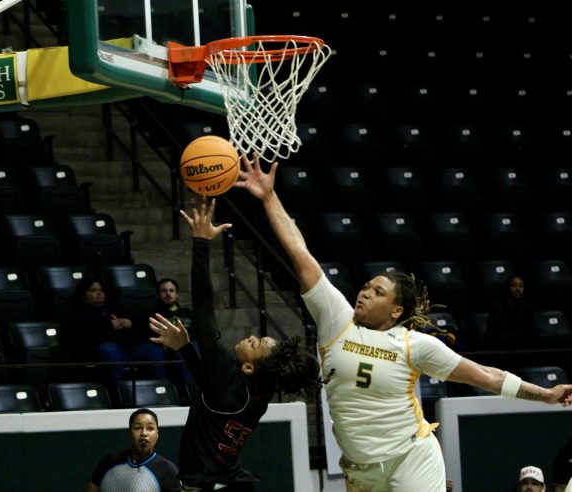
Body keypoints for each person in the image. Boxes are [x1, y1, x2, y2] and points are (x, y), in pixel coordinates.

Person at [235, 153, 572, 492]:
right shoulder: (337, 318)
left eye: (377, 292)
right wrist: (268, 196)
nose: (365, 293)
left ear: (395, 311)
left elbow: (487, 376)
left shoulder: (414, 345)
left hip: (411, 459)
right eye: (366, 286)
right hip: (360, 470)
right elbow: (298, 250)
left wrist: (544, 395)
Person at [149, 199, 321, 491]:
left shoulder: (231, 380)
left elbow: (204, 310)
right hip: (228, 481)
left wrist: (201, 244)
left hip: (205, 485)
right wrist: (187, 349)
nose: (251, 336)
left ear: (249, 366)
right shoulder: (259, 391)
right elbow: (208, 386)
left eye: (256, 344)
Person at [68, 276, 167, 394]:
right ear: (83, 295)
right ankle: (118, 395)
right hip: (100, 350)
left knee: (153, 351)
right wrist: (109, 325)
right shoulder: (77, 314)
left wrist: (128, 322)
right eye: (93, 291)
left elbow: (136, 321)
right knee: (110, 351)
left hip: (129, 347)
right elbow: (85, 335)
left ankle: (163, 391)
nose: (99, 293)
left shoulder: (112, 308)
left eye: (101, 290)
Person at [86, 407, 182, 492]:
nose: (144, 433)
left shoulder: (168, 470)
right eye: (138, 428)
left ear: (157, 434)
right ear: (130, 432)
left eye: (150, 428)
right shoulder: (109, 461)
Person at [154, 277, 198, 404]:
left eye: (171, 290)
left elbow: (197, 333)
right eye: (164, 291)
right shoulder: (154, 315)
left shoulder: (188, 313)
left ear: (177, 294)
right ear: (158, 294)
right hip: (169, 349)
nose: (168, 294)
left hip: (190, 346)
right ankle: (191, 395)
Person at [484, 274, 535, 350]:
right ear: (507, 288)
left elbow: (531, 331)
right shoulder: (496, 307)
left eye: (521, 286)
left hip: (523, 347)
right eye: (513, 286)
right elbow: (493, 332)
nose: (518, 289)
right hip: (501, 347)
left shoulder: (528, 308)